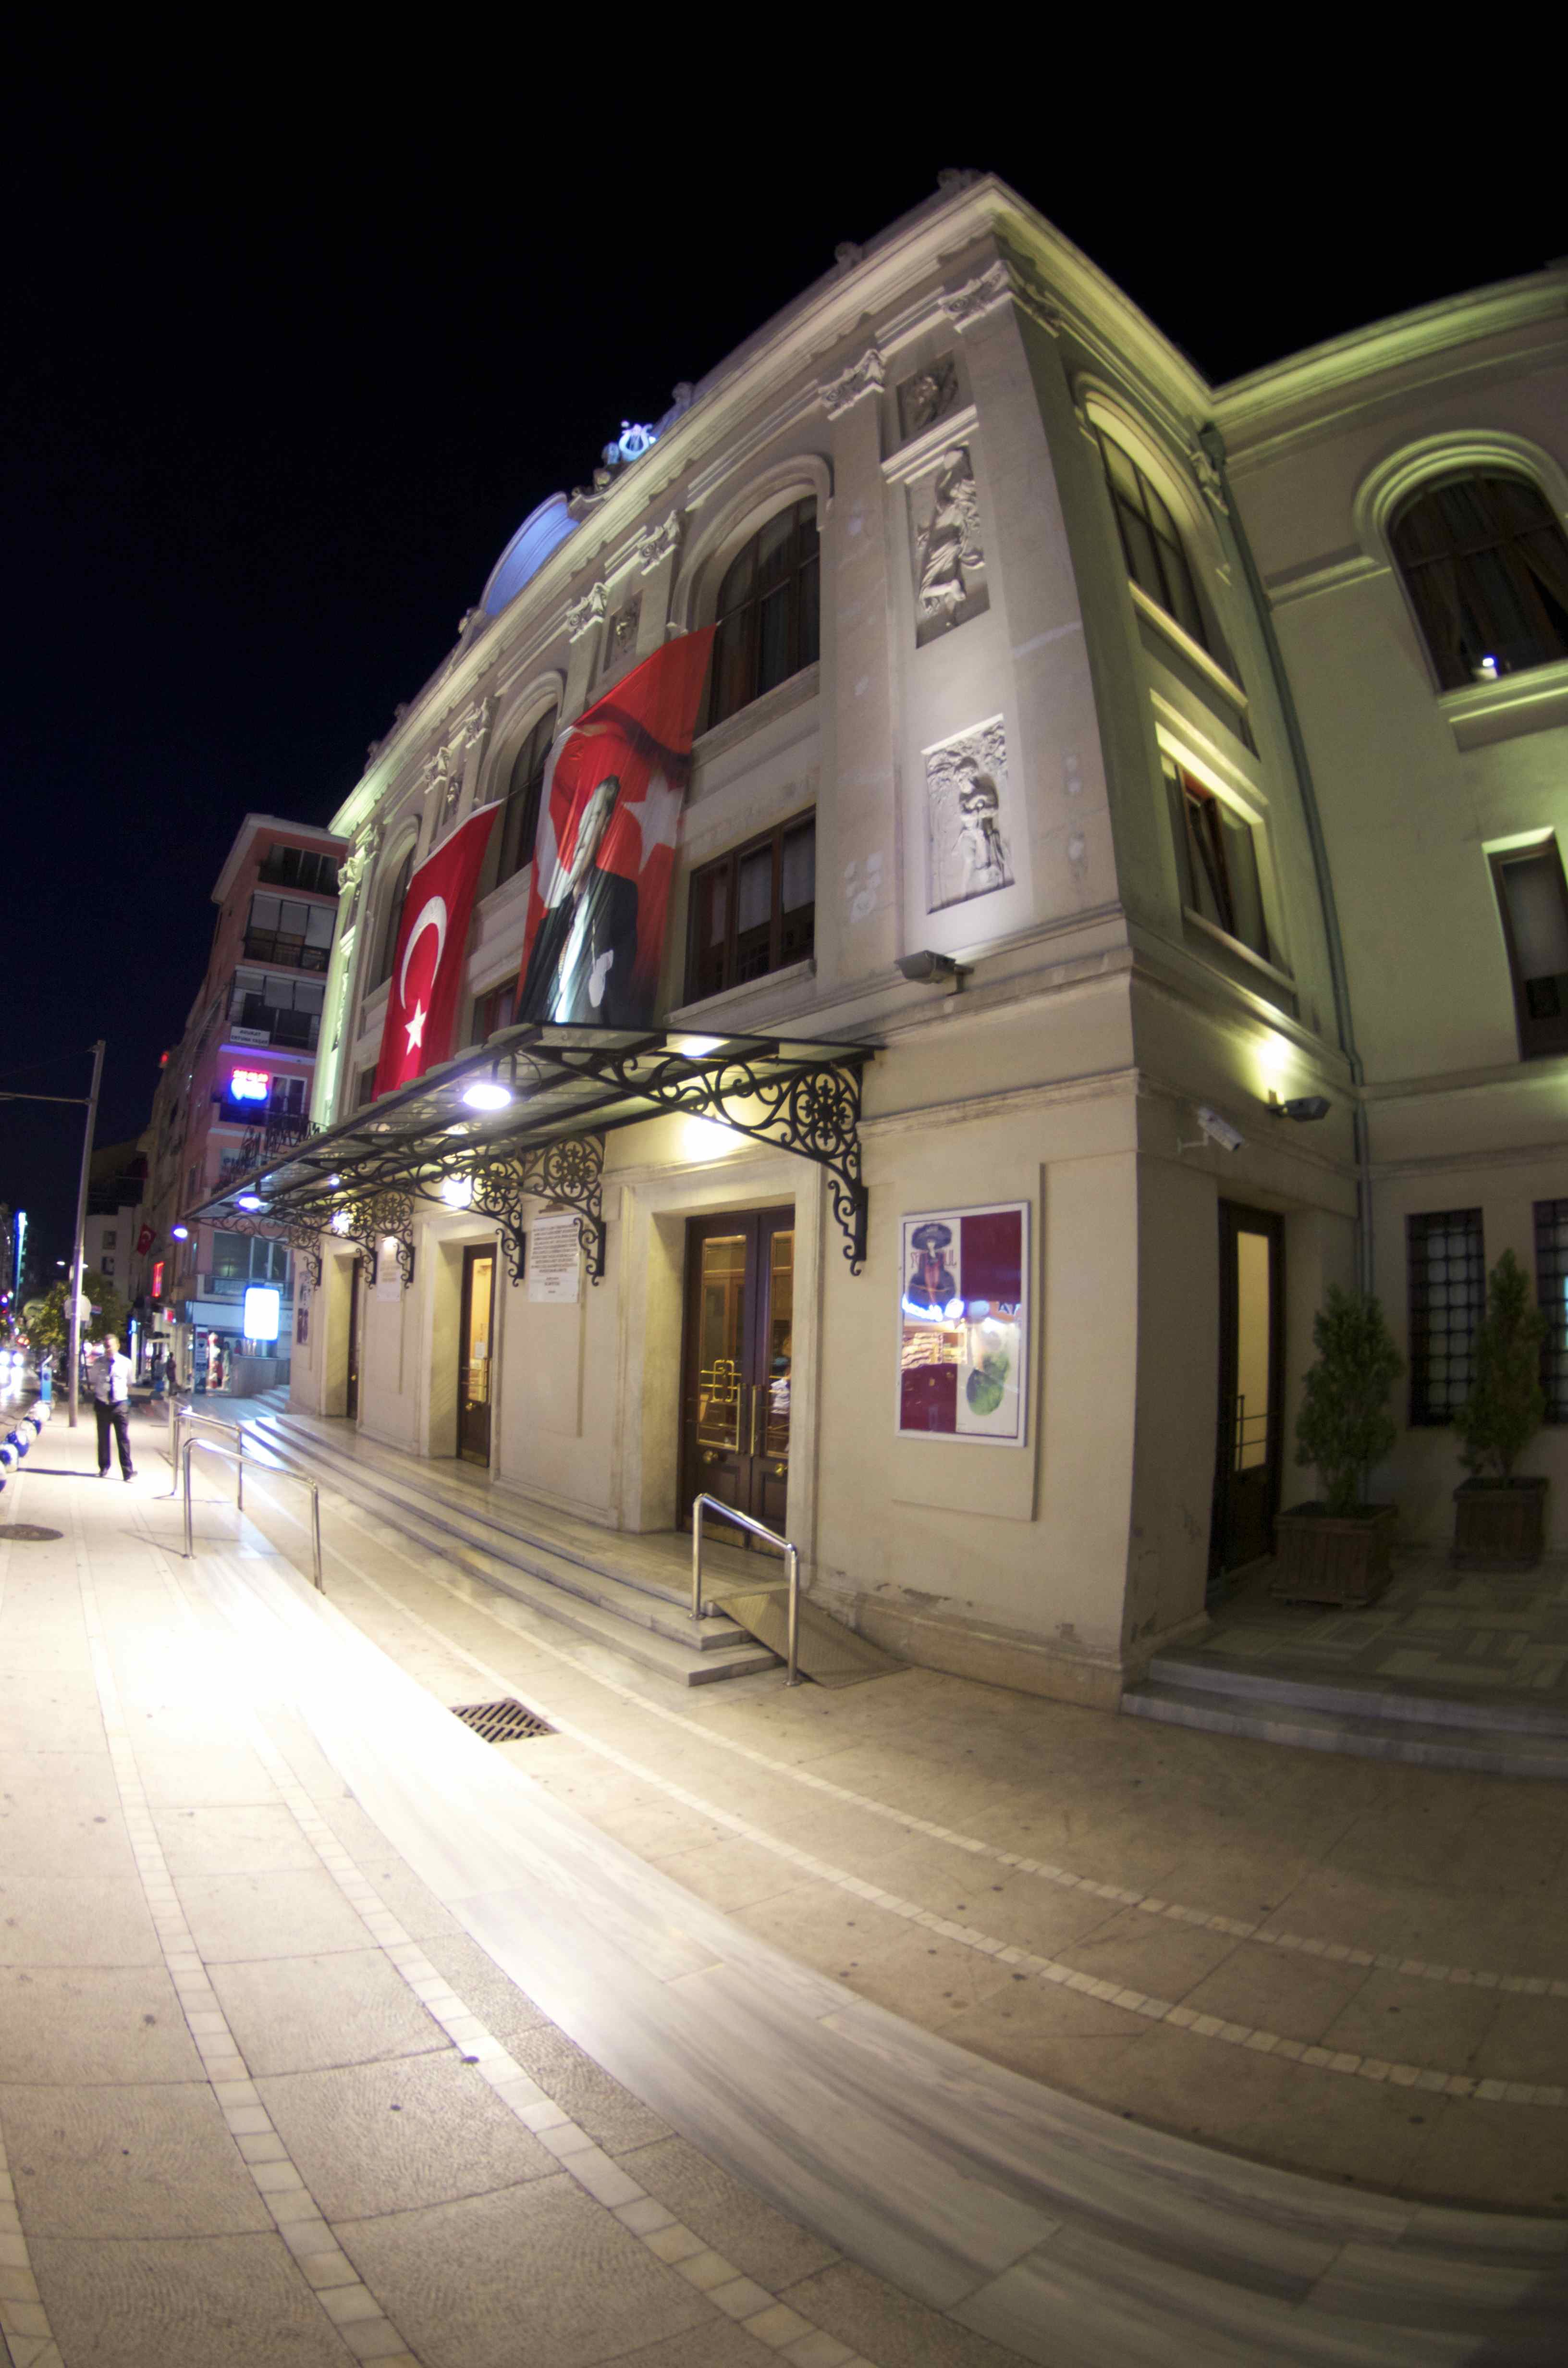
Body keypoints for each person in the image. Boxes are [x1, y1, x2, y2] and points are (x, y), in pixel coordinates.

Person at [516, 773, 641, 1028]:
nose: (583, 836)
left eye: (594, 820)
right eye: (583, 822)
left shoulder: (621, 894)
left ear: (606, 828)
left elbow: (624, 968)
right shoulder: (549, 925)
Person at [89, 1332, 135, 1480]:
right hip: (102, 1404)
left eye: (110, 1346)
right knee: (103, 1438)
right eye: (106, 1346)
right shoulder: (99, 1363)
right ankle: (104, 1467)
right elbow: (93, 1380)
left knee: (123, 1439)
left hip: (120, 1404)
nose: (108, 1349)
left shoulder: (126, 1363)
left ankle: (128, 1471)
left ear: (117, 1346)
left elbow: (130, 1382)